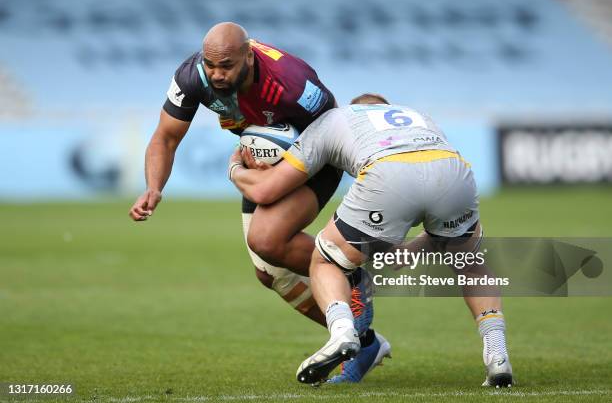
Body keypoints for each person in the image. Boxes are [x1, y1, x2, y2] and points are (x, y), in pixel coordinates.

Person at [128, 23, 390, 383]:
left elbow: (333, 132)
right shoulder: (192, 76)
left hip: (315, 158)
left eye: (226, 66)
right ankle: (362, 341)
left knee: (266, 240)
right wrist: (154, 188)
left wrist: (286, 166)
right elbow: (165, 138)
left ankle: (349, 270)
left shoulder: (293, 84)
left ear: (249, 56)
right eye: (211, 65)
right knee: (271, 273)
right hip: (260, 160)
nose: (217, 75)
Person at [229, 93, 514, 387]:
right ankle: (497, 354)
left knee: (327, 261)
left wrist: (236, 168)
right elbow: (440, 206)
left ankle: (343, 332)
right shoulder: (418, 117)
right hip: (454, 171)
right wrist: (404, 252)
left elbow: (265, 191)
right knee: (470, 264)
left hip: (387, 174)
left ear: (355, 109)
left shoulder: (335, 119)